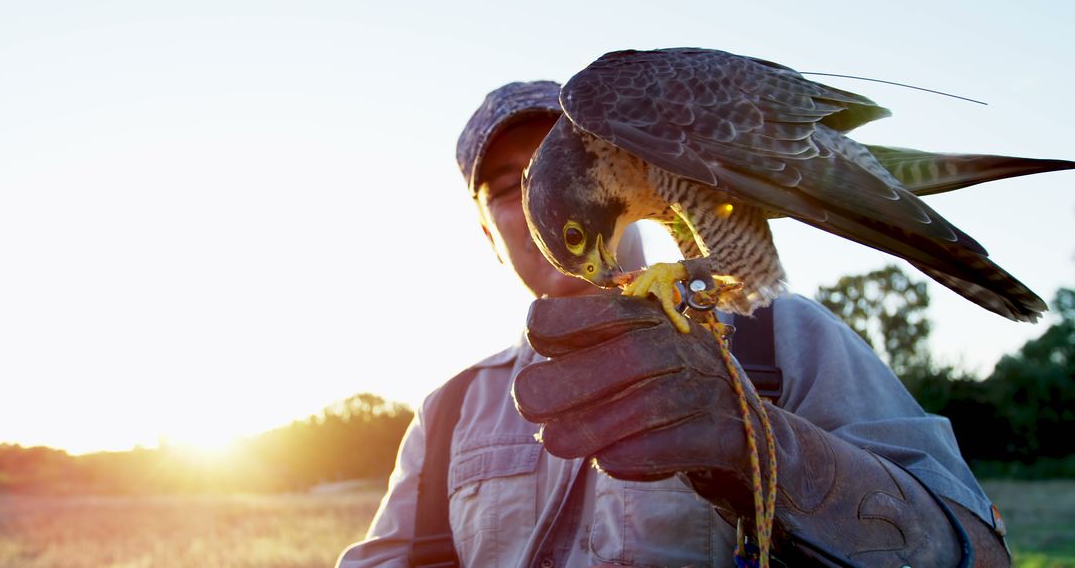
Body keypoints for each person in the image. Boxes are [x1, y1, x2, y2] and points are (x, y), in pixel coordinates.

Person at [337, 81, 1009, 567]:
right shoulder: (452, 411)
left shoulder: (779, 336)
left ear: (629, 163)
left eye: (553, 161)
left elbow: (978, 551)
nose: (541, 195)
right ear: (489, 232)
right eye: (508, 188)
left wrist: (778, 454)